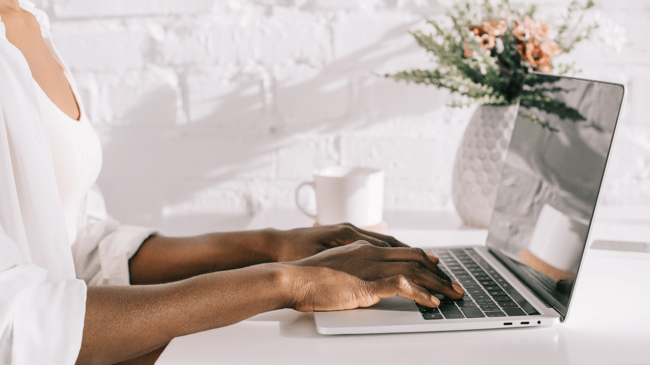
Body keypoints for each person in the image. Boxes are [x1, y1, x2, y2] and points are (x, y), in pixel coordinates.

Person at [0, 1, 464, 364]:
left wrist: (273, 245)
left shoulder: (27, 20)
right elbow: (16, 328)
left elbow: (79, 249)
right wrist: (288, 283)